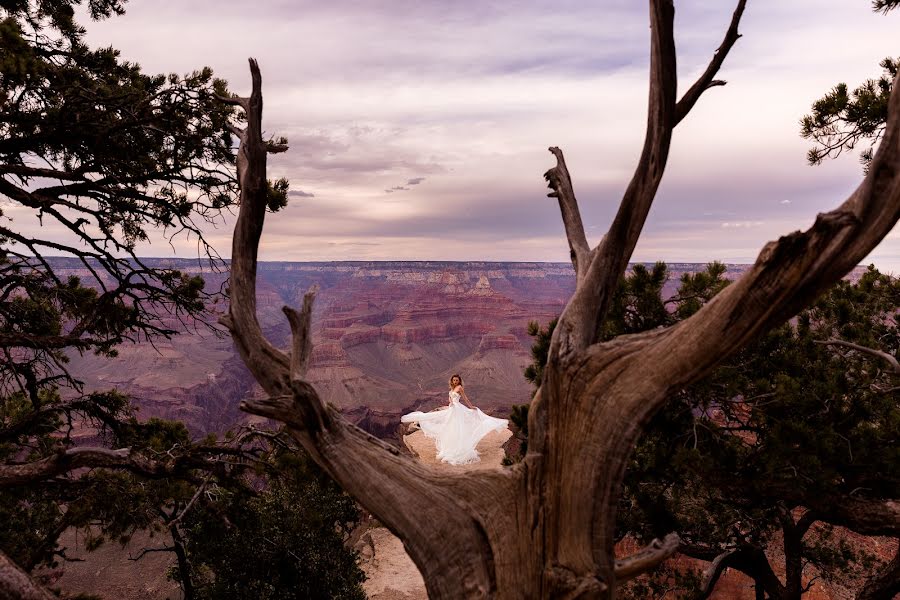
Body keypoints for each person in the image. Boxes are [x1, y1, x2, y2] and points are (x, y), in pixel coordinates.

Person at [401, 374, 508, 465]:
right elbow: (450, 398)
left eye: (457, 380)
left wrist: (471, 407)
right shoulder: (452, 389)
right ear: (452, 381)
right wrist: (450, 403)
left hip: (458, 410)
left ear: (459, 381)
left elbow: (465, 398)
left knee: (458, 428)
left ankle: (459, 450)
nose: (456, 381)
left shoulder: (460, 388)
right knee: (450, 428)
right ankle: (451, 448)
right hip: (452, 409)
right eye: (454, 380)